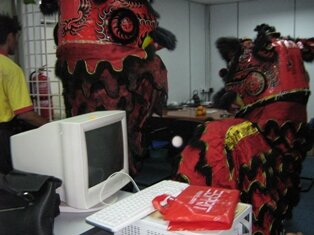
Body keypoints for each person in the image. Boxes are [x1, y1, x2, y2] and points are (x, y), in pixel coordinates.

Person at [0, 13, 48, 174]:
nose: (17, 41)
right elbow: (25, 114)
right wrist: (53, 127)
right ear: (9, 37)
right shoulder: (10, 69)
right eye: (17, 37)